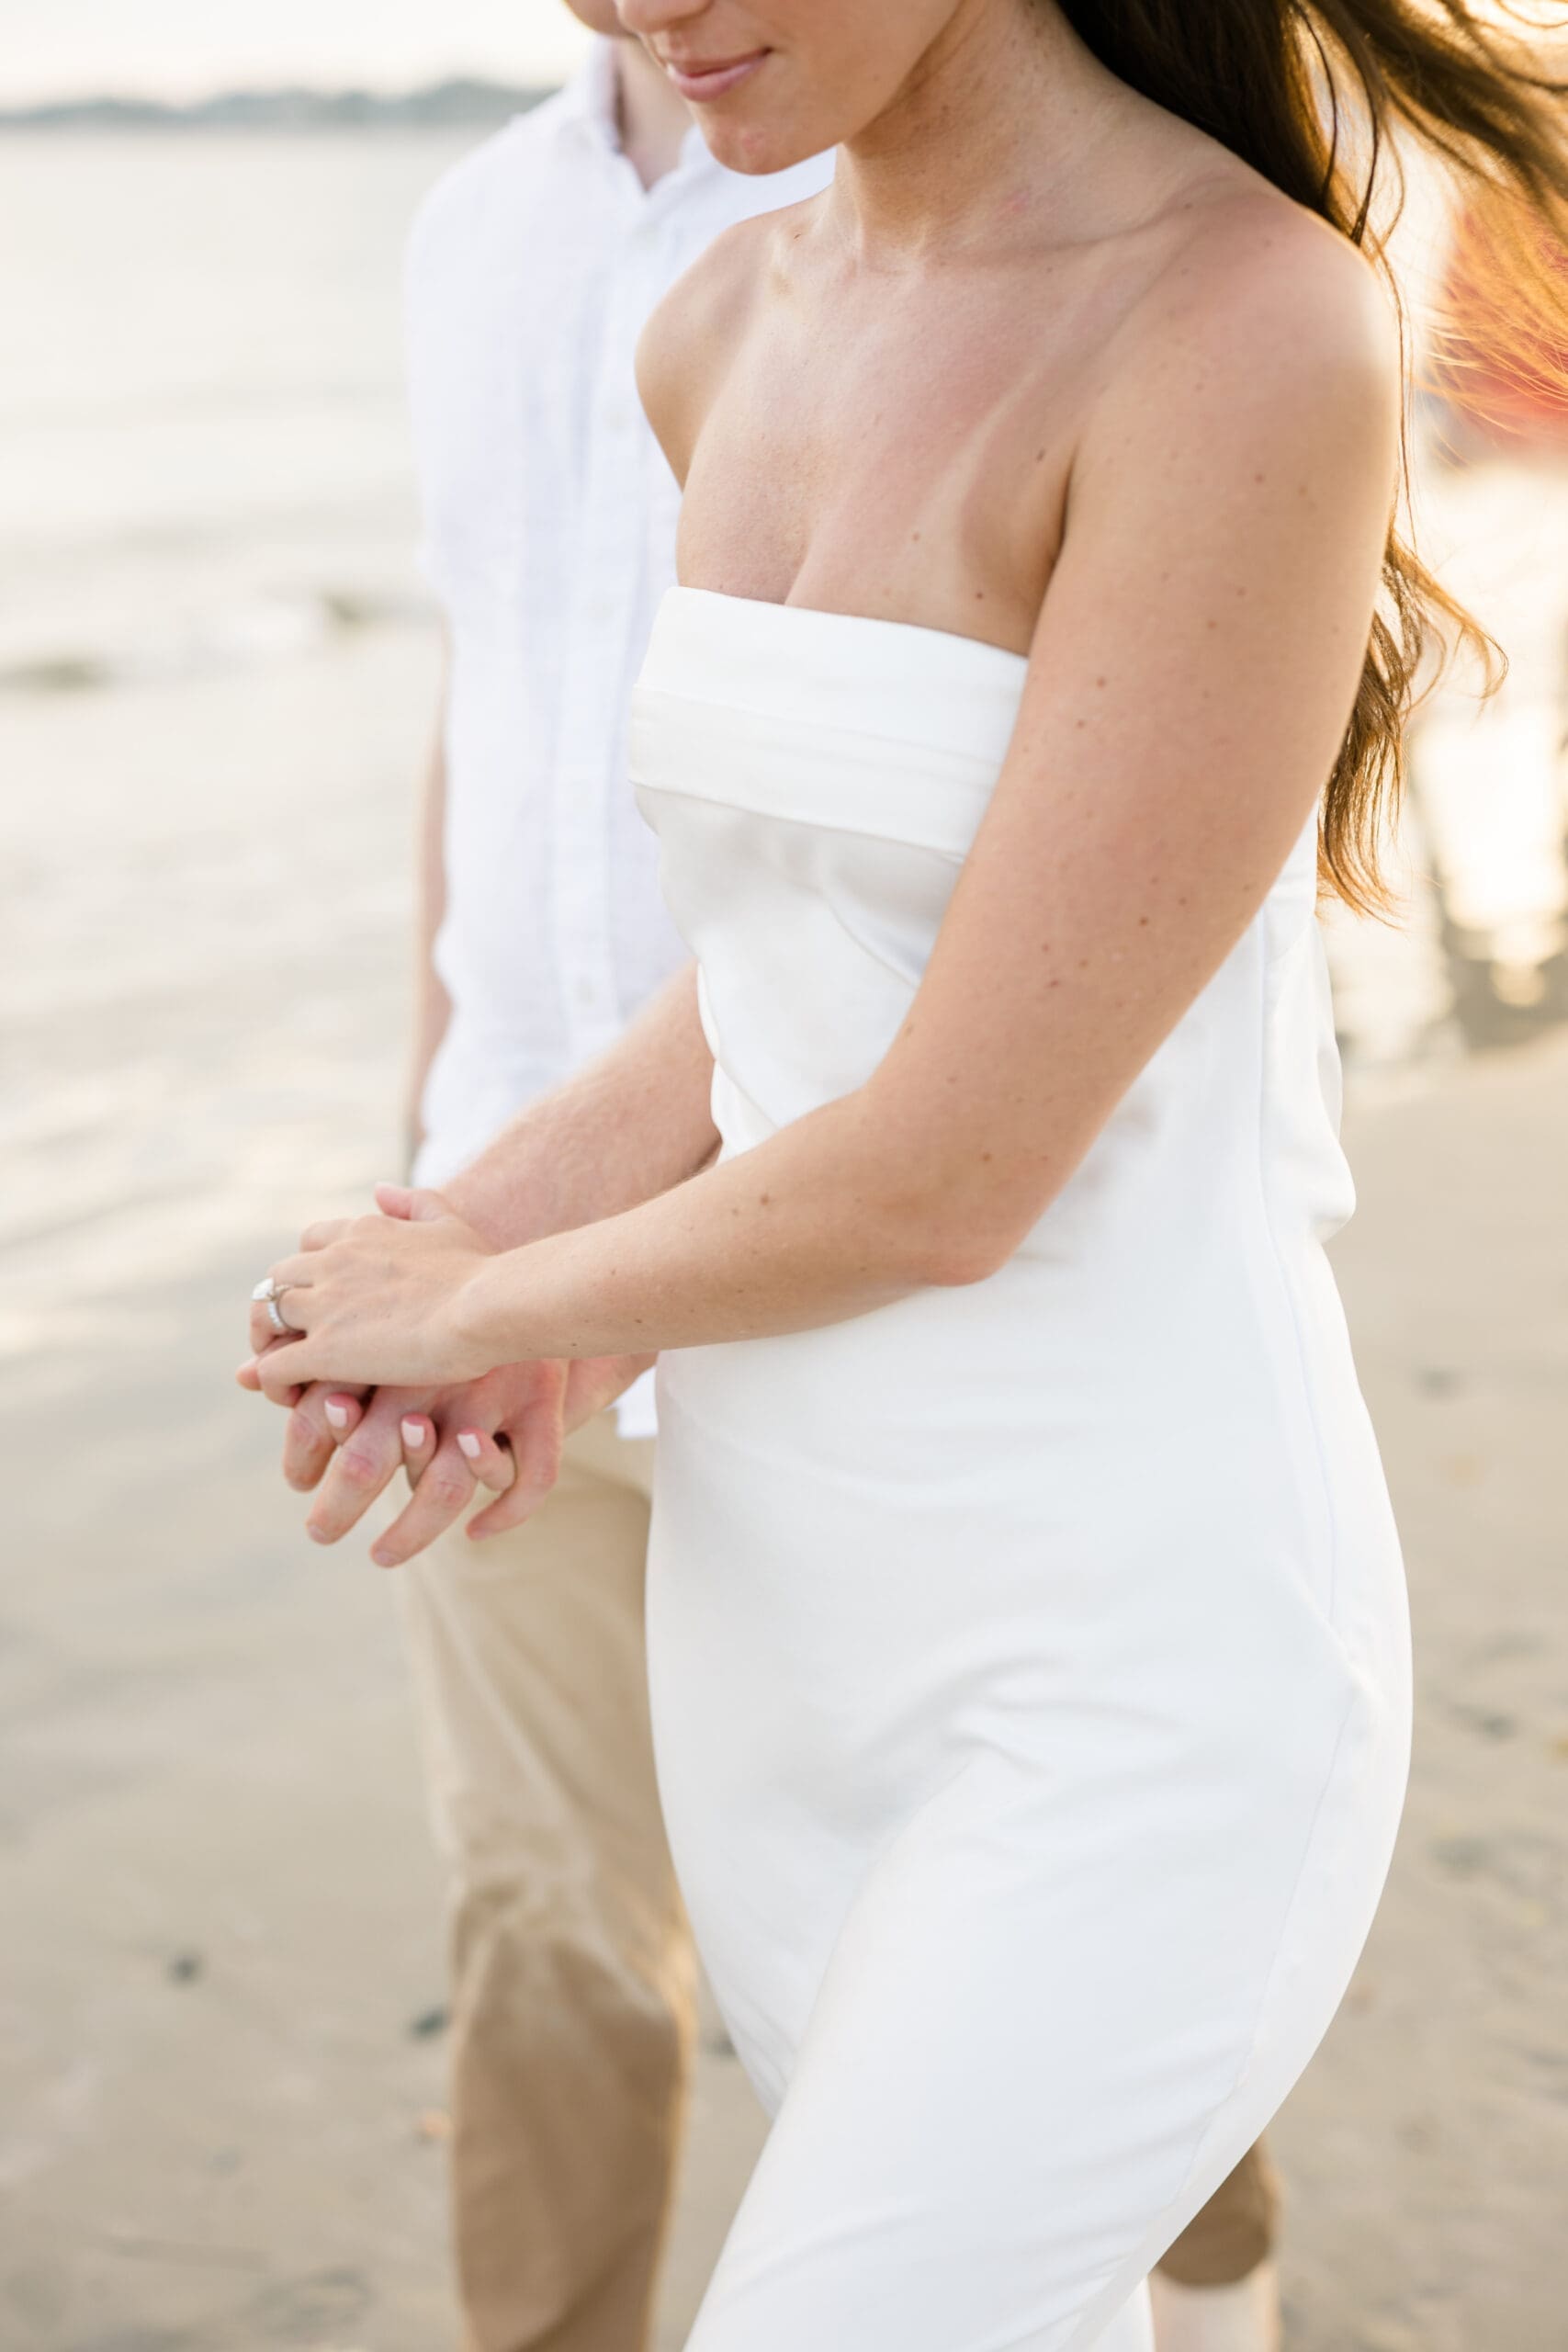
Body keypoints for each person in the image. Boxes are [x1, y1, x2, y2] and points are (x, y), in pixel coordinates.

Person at [243, 2, 1568, 2346]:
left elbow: (955, 1156)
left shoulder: (1241, 321)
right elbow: (760, 986)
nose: (644, 7)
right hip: (782, 1629)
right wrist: (481, 1228)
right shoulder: (716, 330)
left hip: (1126, 1650)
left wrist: (473, 1311)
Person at [268, 17, 828, 2349]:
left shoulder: (874, 200)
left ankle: (1207, 2281)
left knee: (925, 1920)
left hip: (833, 1230)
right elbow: (484, 690)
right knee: (547, 1918)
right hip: (495, 1232)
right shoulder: (473, 224)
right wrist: (432, 1152)